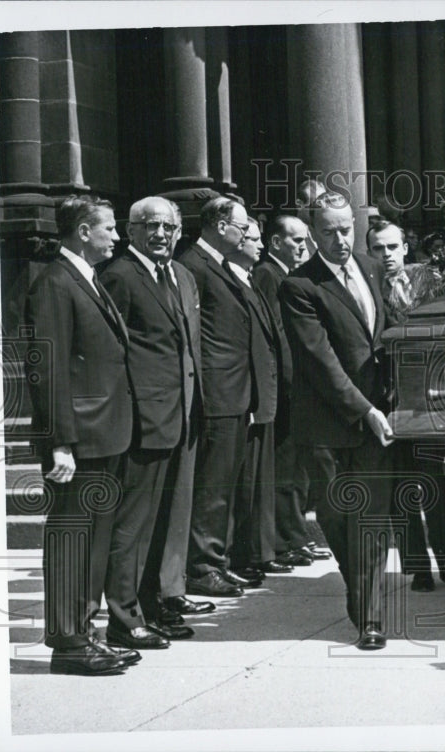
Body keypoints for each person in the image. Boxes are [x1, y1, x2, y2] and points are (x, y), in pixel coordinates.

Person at [24, 195, 138, 675]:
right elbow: (47, 368)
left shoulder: (85, 277)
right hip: (79, 440)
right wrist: (60, 443)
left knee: (92, 542)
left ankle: (85, 633)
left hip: (105, 435)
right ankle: (68, 643)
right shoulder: (54, 283)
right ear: (83, 232)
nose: (116, 236)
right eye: (109, 228)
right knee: (72, 540)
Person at [279, 191, 395, 650]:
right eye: (328, 232)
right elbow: (320, 360)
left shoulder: (371, 268)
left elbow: (383, 334)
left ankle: (369, 616)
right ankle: (360, 592)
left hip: (377, 416)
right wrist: (364, 410)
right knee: (338, 517)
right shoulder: (299, 286)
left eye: (346, 229)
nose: (340, 240)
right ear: (312, 233)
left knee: (372, 516)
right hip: (328, 425)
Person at [100, 197, 209, 650]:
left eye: (168, 226)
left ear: (179, 231)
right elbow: (112, 354)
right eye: (150, 225)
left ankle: (153, 606)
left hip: (183, 416)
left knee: (165, 522)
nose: (160, 234)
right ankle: (123, 619)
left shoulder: (181, 274)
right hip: (144, 421)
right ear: (131, 230)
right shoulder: (120, 276)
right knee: (134, 527)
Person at [366, 218, 445, 593]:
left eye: (392, 247)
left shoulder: (429, 283)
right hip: (385, 401)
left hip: (427, 399)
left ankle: (443, 549)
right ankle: (418, 566)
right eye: (378, 249)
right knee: (400, 485)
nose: (386, 255)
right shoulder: (367, 288)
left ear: (405, 248)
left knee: (434, 478)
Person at [177, 197, 256, 597]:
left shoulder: (218, 264)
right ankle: (202, 566)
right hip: (216, 394)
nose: (246, 234)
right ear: (221, 226)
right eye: (242, 226)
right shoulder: (193, 265)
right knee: (212, 486)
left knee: (225, 486)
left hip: (235, 393)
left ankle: (216, 560)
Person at [253, 214, 332, 566]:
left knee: (297, 468)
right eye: (297, 240)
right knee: (285, 468)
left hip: (298, 387)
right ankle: (287, 540)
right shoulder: (268, 275)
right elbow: (278, 336)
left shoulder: (288, 275)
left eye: (305, 241)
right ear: (276, 242)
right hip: (287, 388)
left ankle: (296, 536)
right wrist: (293, 383)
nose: (304, 247)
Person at [224, 219, 290, 580]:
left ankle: (260, 552)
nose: (259, 245)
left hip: (264, 393)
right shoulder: (237, 279)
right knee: (245, 482)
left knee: (261, 480)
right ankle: (244, 556)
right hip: (247, 396)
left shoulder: (249, 278)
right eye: (252, 238)